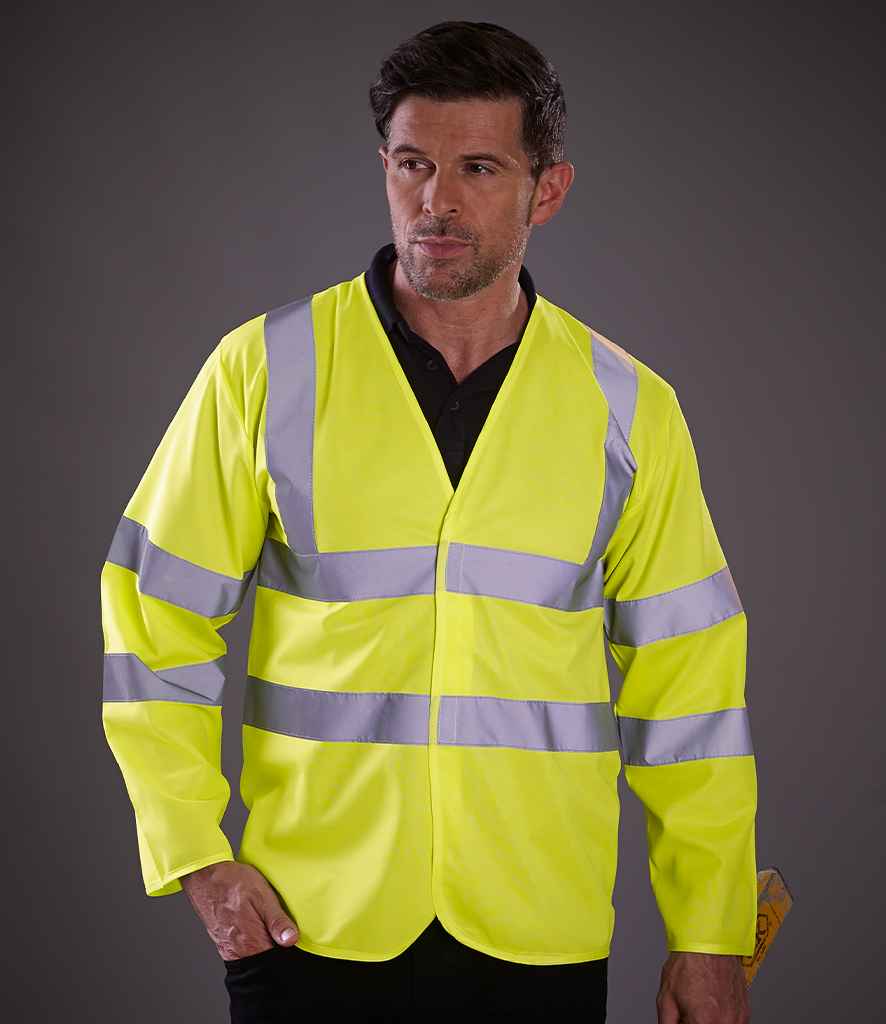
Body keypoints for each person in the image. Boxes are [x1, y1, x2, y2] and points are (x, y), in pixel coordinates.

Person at [100, 20, 756, 1024]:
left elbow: (691, 686)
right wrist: (194, 853)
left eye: (478, 168)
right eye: (413, 164)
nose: (436, 201)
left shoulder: (628, 408)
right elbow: (151, 619)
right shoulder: (265, 371)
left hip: (537, 928)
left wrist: (709, 930)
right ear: (385, 168)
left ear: (547, 190)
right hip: (310, 922)